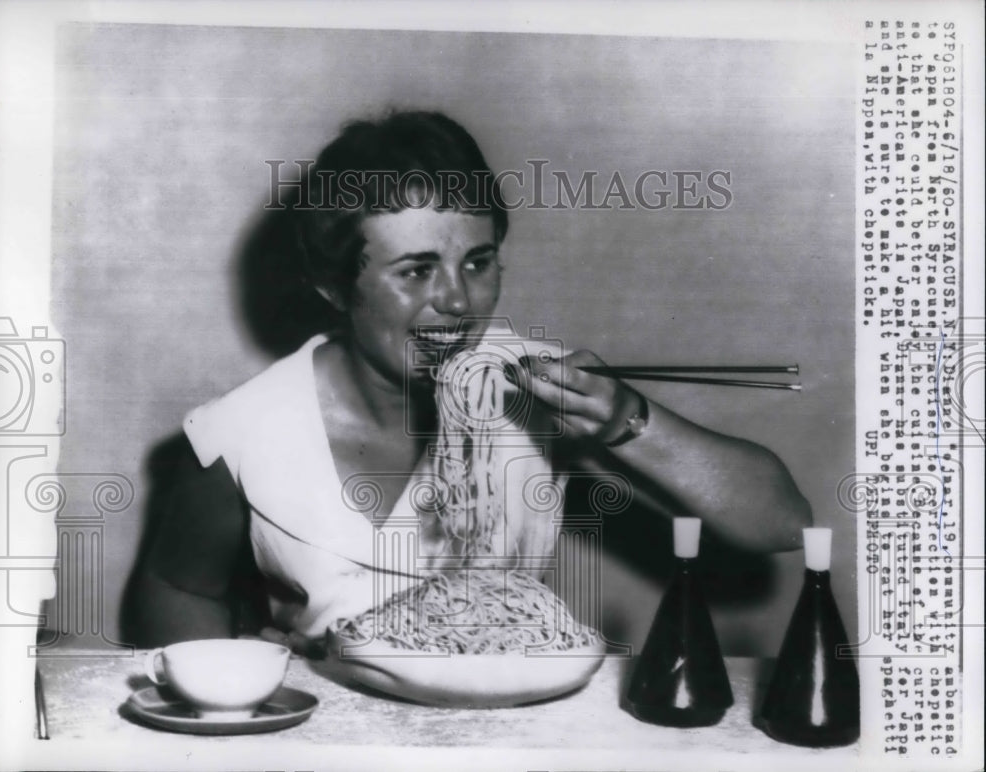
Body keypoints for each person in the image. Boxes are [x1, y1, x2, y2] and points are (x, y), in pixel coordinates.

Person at [125, 110, 812, 649]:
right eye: (416, 270)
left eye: (478, 263)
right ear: (335, 288)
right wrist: (238, 684)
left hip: (508, 713)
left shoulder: (531, 390)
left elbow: (781, 523)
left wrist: (625, 421)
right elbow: (176, 585)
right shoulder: (245, 430)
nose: (457, 302)